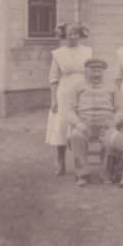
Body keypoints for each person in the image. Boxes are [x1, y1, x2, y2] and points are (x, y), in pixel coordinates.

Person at [66, 58, 123, 187]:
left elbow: (121, 109)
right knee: (76, 136)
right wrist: (78, 123)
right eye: (93, 70)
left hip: (106, 124)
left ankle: (106, 173)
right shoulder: (78, 87)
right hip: (84, 124)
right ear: (86, 71)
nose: (96, 73)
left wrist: (114, 122)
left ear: (103, 72)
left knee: (114, 138)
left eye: (99, 70)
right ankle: (82, 174)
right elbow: (69, 110)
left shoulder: (112, 87)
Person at [45, 22, 92, 176]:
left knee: (79, 126)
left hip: (82, 91)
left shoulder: (87, 51)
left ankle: (80, 163)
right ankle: (60, 161)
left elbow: (91, 73)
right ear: (64, 35)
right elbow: (53, 77)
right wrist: (54, 100)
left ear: (80, 35)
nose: (73, 37)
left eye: (76, 33)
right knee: (62, 126)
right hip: (64, 92)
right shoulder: (58, 53)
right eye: (70, 34)